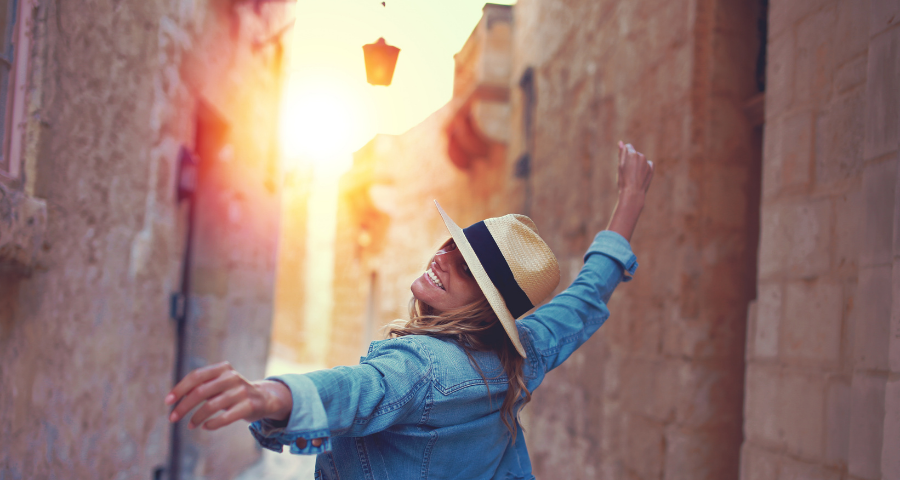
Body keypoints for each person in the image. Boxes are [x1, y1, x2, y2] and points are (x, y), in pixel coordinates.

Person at [165, 142, 654, 479]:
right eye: (450, 247)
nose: (440, 259)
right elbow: (587, 295)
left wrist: (272, 396)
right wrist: (629, 201)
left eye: (465, 269)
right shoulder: (525, 353)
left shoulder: (424, 367)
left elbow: (361, 389)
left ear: (486, 309)